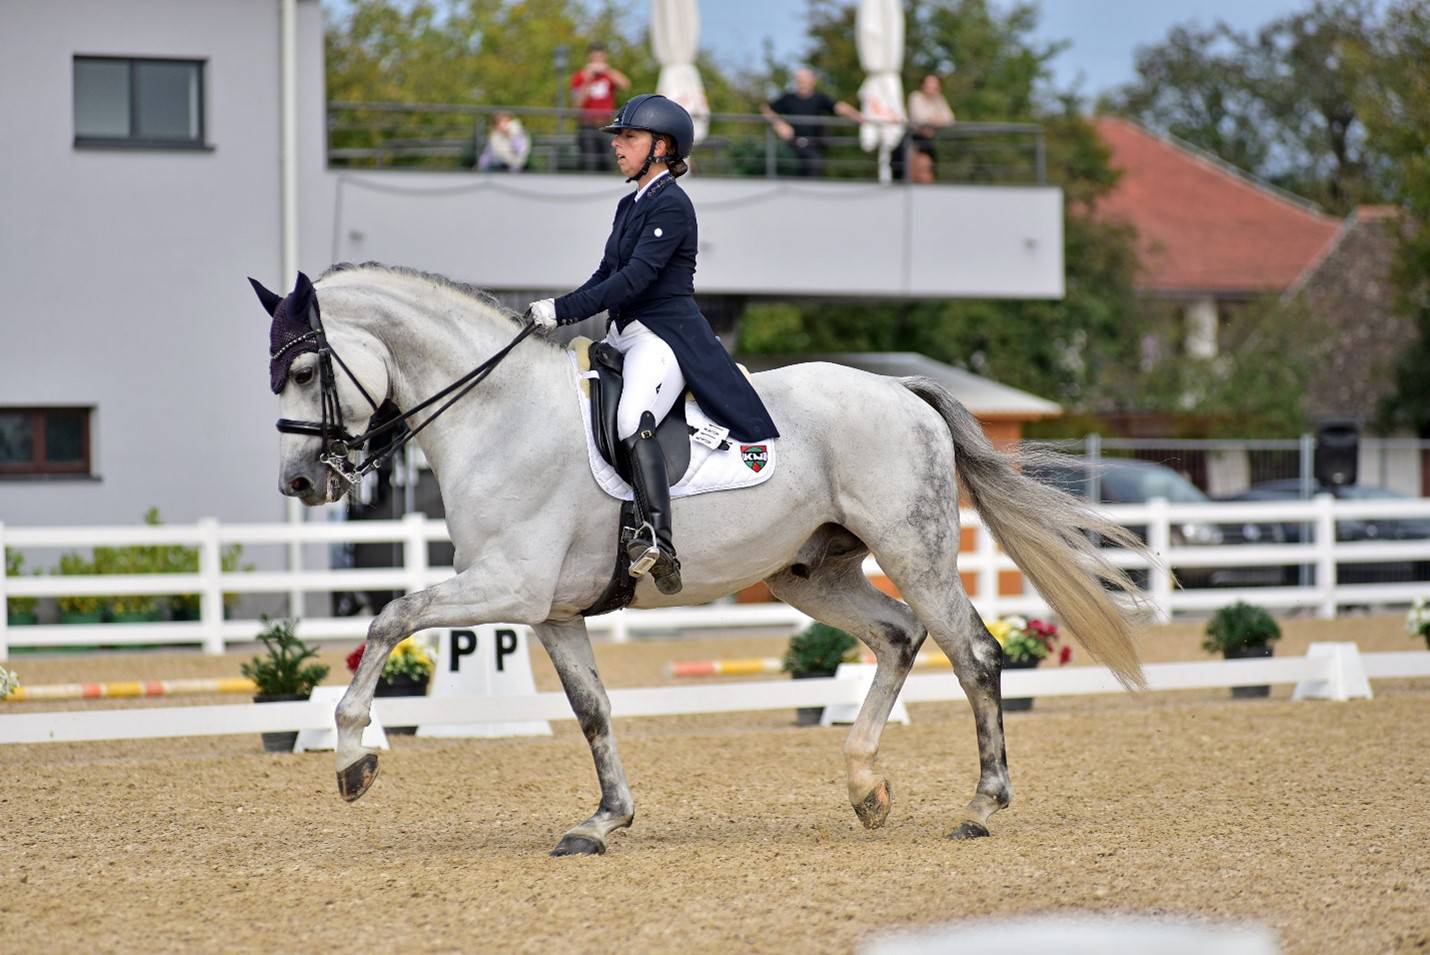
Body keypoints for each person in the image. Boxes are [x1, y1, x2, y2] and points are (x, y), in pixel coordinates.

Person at [524, 94, 780, 596]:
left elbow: (637, 278)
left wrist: (563, 311)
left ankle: (658, 541)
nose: (617, 145)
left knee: (629, 418)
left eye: (629, 137)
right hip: (623, 334)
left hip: (663, 336)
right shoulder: (629, 204)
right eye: (618, 137)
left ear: (661, 147)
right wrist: (557, 310)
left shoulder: (672, 205)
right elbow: (606, 274)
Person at [760, 68, 863, 177]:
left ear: (813, 81)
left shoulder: (819, 98)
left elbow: (839, 107)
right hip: (792, 147)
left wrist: (859, 116)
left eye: (804, 80)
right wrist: (779, 124)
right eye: (799, 80)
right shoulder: (788, 98)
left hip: (813, 147)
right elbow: (765, 108)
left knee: (814, 167)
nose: (801, 83)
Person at [569, 43, 630, 173]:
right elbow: (577, 104)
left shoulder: (609, 74)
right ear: (589, 58)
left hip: (606, 125)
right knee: (589, 163)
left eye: (600, 58)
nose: (597, 61)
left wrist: (607, 70)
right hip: (587, 125)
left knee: (607, 163)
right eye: (595, 58)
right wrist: (588, 79)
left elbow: (625, 84)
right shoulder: (580, 76)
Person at [905, 73, 955, 180]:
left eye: (934, 83)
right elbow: (919, 118)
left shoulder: (939, 99)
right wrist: (936, 120)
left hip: (929, 142)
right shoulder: (915, 97)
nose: (931, 86)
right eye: (929, 83)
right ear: (922, 85)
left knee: (927, 172)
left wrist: (933, 121)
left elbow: (950, 119)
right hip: (914, 141)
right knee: (916, 171)